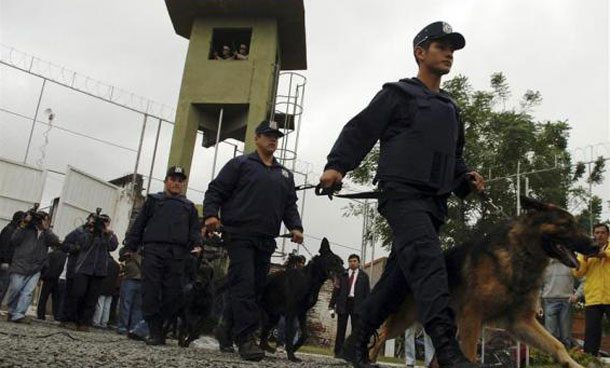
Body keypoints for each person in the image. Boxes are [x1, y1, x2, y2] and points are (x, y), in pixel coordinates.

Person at [319, 21, 485, 368]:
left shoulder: (451, 109)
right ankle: (448, 349)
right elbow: (361, 129)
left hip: (433, 204)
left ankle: (357, 341)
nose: (449, 53)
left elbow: (454, 158)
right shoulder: (399, 94)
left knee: (398, 279)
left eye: (452, 48)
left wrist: (466, 177)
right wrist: (337, 166)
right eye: (441, 46)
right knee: (428, 260)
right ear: (420, 53)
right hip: (401, 196)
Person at [203, 120, 304, 361]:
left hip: (266, 239)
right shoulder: (240, 164)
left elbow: (289, 205)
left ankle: (226, 329)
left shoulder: (284, 175)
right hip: (239, 235)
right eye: (267, 135)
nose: (272, 140)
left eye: (276, 137)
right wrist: (210, 215)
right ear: (256, 138)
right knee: (245, 284)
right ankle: (246, 338)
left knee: (254, 288)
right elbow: (216, 190)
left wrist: (296, 226)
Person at [124, 166, 202, 346]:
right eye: (173, 179)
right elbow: (139, 225)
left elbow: (195, 231)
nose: (176, 183)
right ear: (166, 181)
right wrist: (129, 247)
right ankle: (154, 331)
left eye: (180, 180)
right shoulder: (153, 201)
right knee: (150, 291)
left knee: (172, 294)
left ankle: (162, 327)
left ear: (183, 184)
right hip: (153, 252)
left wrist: (197, 245)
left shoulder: (189, 207)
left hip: (176, 255)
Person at [63, 214, 118, 331]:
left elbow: (113, 246)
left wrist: (108, 234)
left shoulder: (107, 234)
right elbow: (82, 244)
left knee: (92, 298)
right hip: (83, 268)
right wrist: (91, 232)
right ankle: (71, 319)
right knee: (78, 294)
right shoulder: (84, 232)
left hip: (99, 271)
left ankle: (85, 322)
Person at [5, 210, 59, 323]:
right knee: (15, 288)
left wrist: (46, 229)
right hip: (20, 264)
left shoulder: (46, 234)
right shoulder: (25, 230)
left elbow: (55, 242)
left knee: (28, 292)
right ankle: (11, 310)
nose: (45, 222)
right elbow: (14, 240)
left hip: (36, 267)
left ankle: (19, 314)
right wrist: (24, 224)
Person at [573, 223, 610, 356]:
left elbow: (606, 255)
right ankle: (590, 359)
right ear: (593, 235)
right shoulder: (586, 251)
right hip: (593, 298)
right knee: (591, 332)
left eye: (602, 232)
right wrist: (584, 258)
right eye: (597, 233)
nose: (599, 235)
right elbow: (578, 273)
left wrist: (602, 254)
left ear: (608, 235)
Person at [329, 254, 370, 358]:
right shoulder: (342, 274)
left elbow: (367, 294)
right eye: (350, 261)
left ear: (359, 262)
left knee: (356, 330)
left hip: (357, 304)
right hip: (344, 303)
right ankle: (338, 352)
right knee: (341, 329)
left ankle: (353, 353)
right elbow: (336, 290)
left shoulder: (364, 276)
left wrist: (367, 308)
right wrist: (331, 304)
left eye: (354, 261)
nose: (352, 263)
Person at [59, 214, 94, 325]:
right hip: (75, 267)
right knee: (71, 293)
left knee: (85, 296)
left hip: (89, 270)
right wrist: (74, 248)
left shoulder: (101, 235)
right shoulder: (78, 232)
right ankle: (66, 318)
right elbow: (64, 246)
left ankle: (80, 320)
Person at [539, 258, 577, 348]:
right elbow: (538, 286)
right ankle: (552, 357)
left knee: (566, 335)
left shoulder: (571, 264)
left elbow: (584, 279)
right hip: (549, 301)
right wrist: (537, 305)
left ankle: (567, 358)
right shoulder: (545, 266)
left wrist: (577, 295)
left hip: (567, 301)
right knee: (551, 334)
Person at [117, 247, 147, 339]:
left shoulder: (148, 248)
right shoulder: (129, 247)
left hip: (142, 279)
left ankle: (134, 328)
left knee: (137, 306)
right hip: (130, 277)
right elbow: (121, 256)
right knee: (126, 303)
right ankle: (123, 327)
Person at [37, 242, 68, 321]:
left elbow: (45, 266)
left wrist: (42, 277)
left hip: (48, 278)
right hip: (59, 279)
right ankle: (56, 315)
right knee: (56, 299)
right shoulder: (65, 256)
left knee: (43, 297)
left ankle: (40, 315)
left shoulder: (50, 255)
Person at [0, 211, 25, 305]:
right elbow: (4, 246)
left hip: (7, 262)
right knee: (2, 286)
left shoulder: (11, 229)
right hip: (5, 263)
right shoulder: (10, 230)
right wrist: (5, 261)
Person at [92, 255, 120, 328]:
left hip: (102, 286)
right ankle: (104, 322)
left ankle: (96, 321)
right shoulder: (117, 265)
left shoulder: (104, 262)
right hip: (111, 288)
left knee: (100, 304)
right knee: (107, 306)